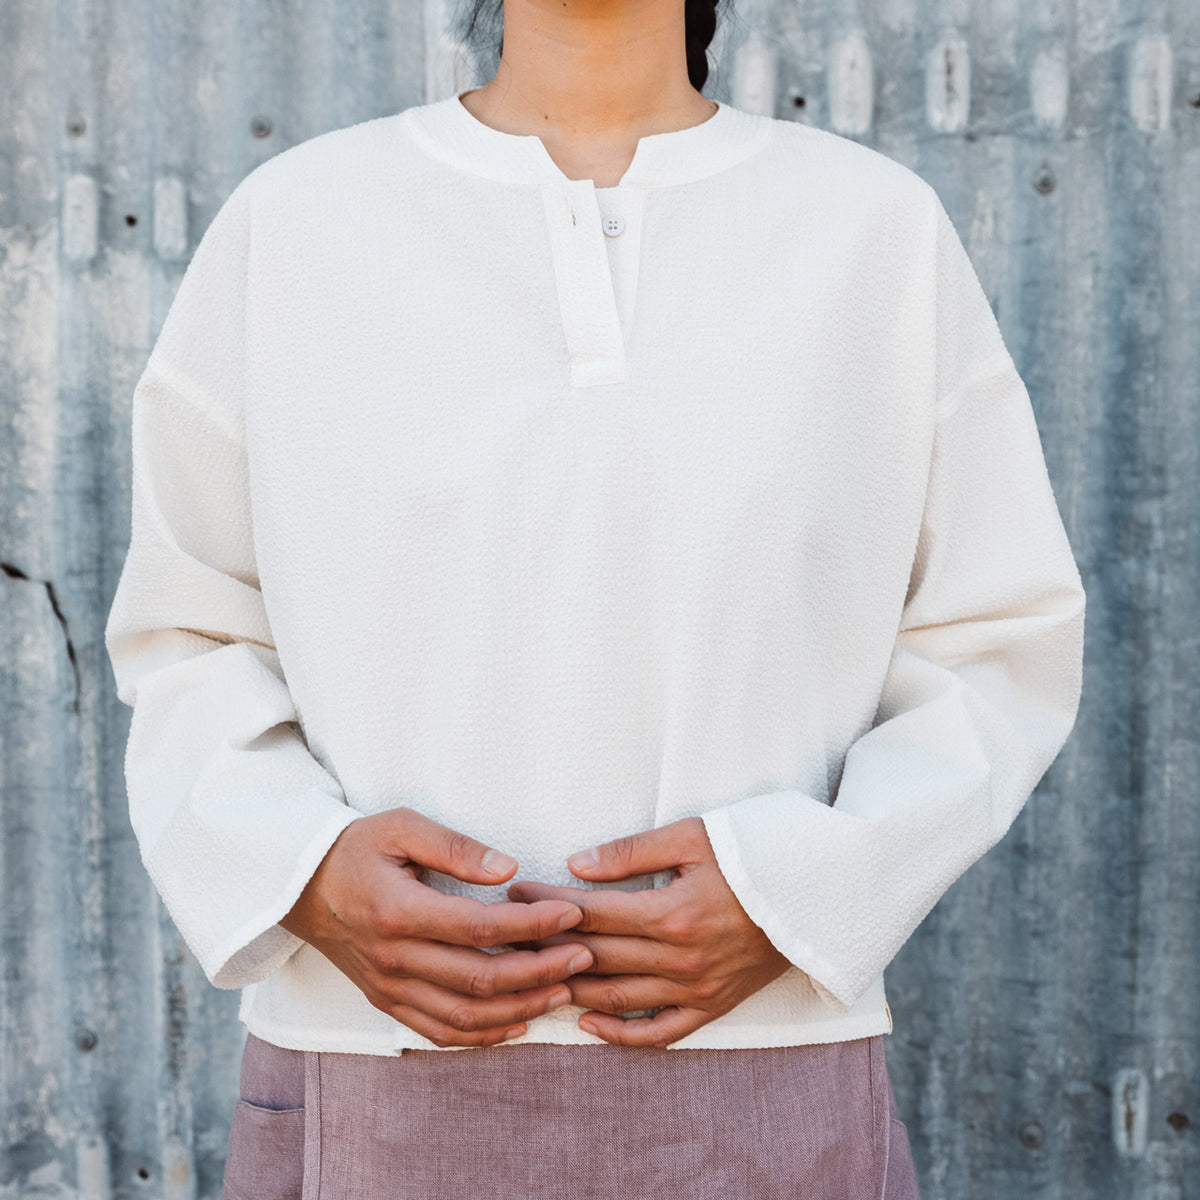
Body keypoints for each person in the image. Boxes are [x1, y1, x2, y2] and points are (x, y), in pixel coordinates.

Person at [103, 0, 1086, 1195]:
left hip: (770, 1077)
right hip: (367, 1066)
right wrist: (300, 869)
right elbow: (186, 628)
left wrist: (799, 892)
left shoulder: (872, 232)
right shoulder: (298, 223)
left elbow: (999, 635)